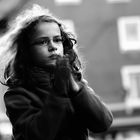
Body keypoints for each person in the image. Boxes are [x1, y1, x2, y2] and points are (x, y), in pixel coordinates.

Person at [1, 4, 113, 140]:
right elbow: (36, 135)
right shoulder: (17, 94)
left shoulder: (75, 84)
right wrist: (58, 93)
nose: (53, 46)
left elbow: (103, 123)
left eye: (57, 40)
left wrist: (76, 90)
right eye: (42, 42)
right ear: (26, 50)